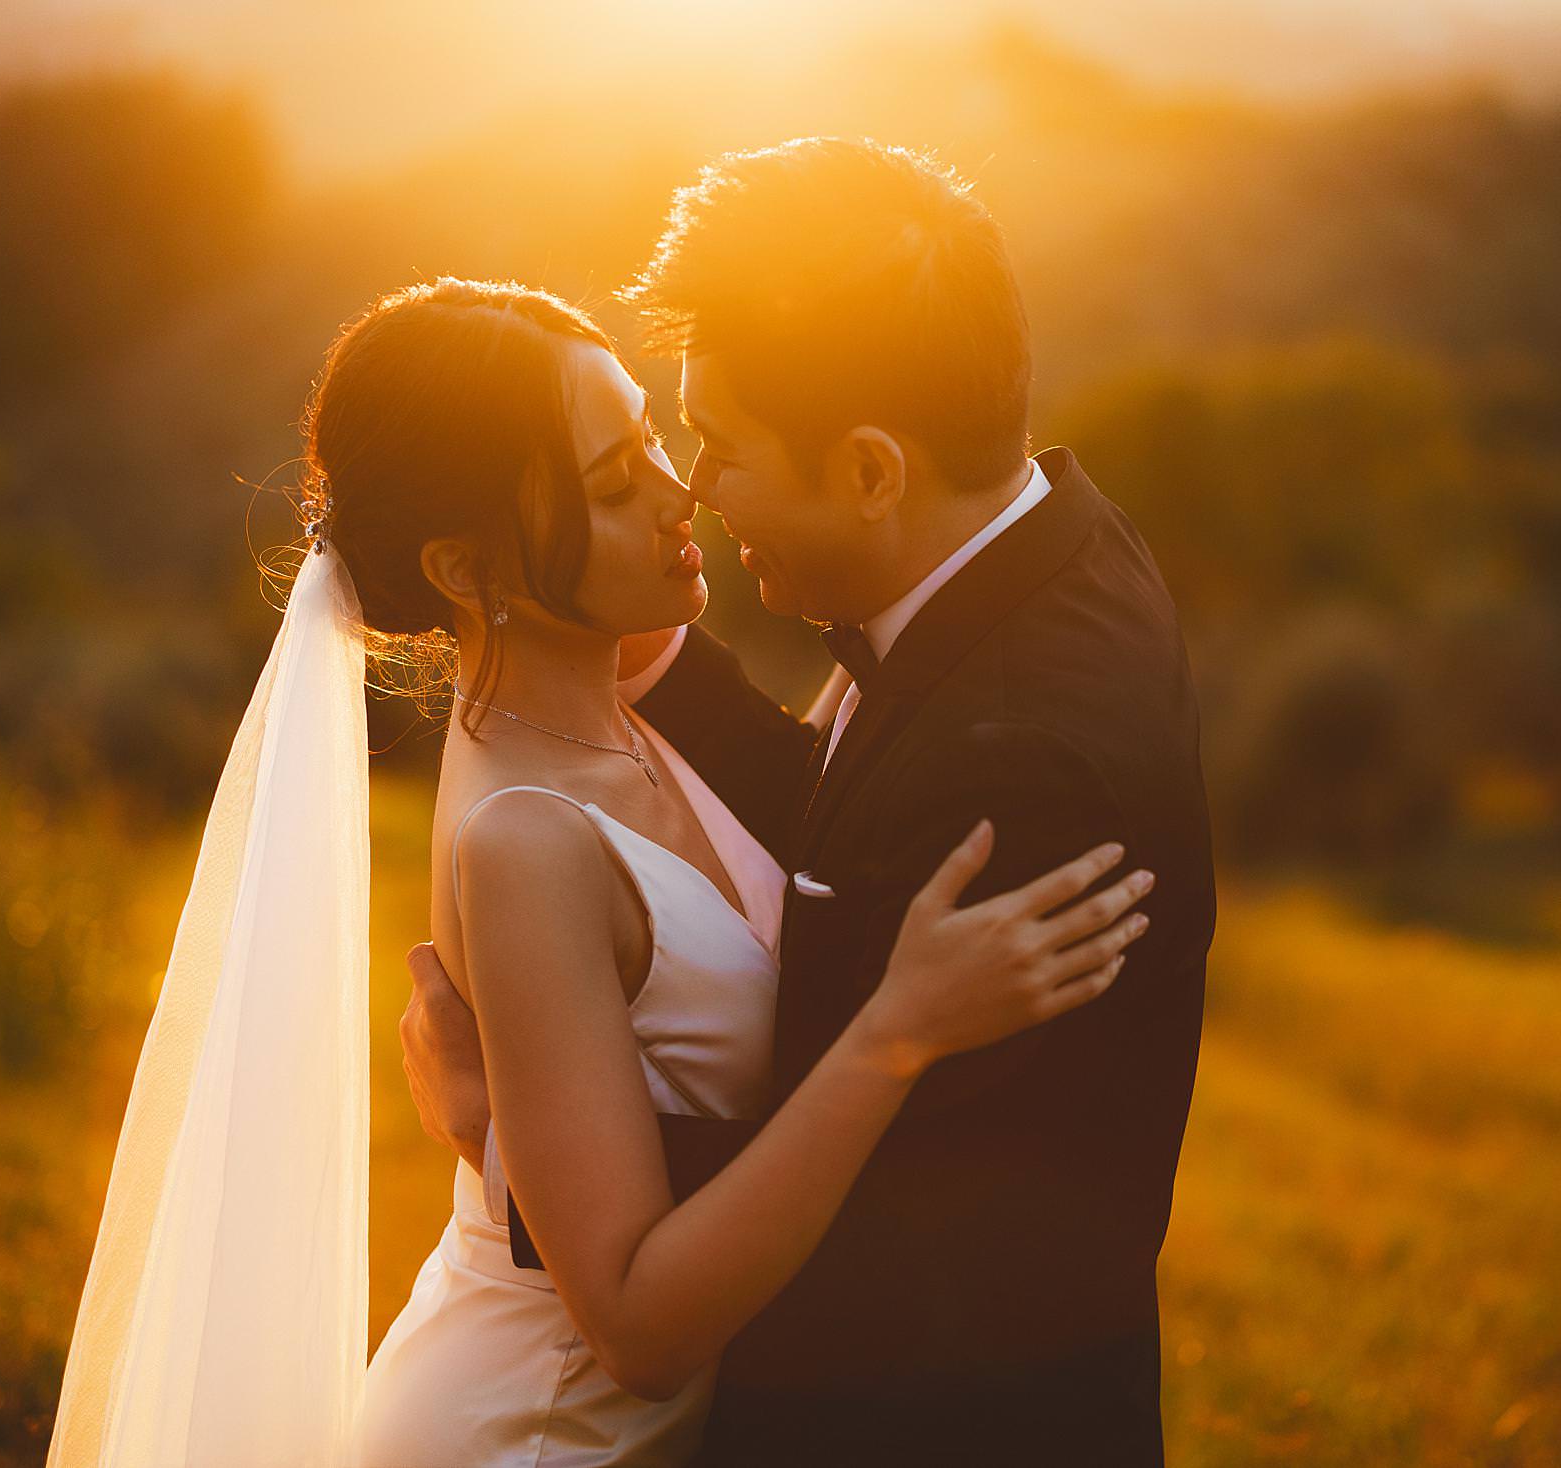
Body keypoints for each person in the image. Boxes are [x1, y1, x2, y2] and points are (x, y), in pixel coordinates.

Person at [46, 276, 1151, 1468]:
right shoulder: (526, 841)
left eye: (652, 441)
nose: (680, 493)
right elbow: (632, 1325)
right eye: (615, 484)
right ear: (468, 572)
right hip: (539, 1431)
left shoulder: (627, 686)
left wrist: (499, 1135)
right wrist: (896, 1032)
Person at [403, 139, 1216, 1468]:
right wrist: (631, 638)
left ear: (872, 472)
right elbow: (853, 813)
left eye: (718, 447)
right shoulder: (1053, 549)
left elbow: (909, 1233)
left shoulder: (1021, 765)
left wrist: (519, 1146)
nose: (695, 494)